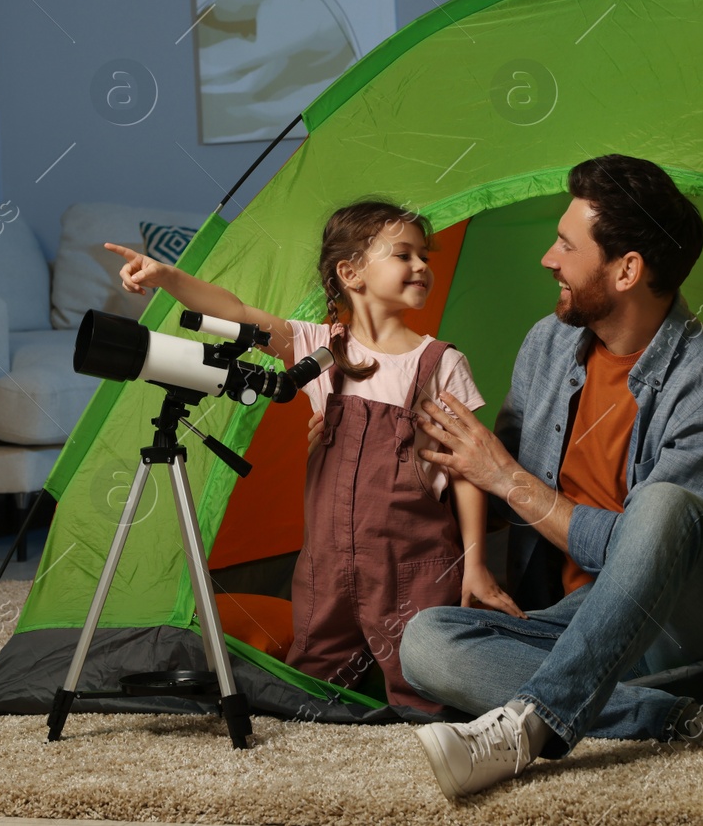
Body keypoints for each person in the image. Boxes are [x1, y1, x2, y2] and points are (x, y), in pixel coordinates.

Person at [396, 154, 703, 801]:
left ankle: (529, 725)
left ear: (627, 269)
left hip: (691, 620)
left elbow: (648, 548)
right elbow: (497, 490)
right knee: (425, 643)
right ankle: (691, 718)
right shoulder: (546, 346)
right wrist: (426, 460)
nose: (547, 259)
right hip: (573, 618)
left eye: (565, 244)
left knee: (663, 505)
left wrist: (506, 479)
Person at [105, 200, 520, 712]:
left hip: (414, 565)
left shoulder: (440, 362)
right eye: (404, 255)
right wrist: (167, 277)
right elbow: (233, 312)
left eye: (425, 257)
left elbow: (465, 471)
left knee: (426, 688)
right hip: (326, 562)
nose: (421, 267)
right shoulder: (318, 348)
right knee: (313, 684)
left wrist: (474, 564)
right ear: (351, 273)